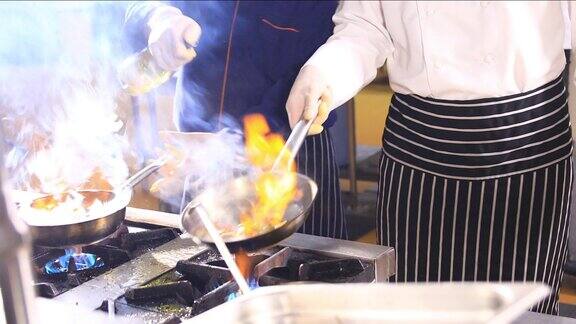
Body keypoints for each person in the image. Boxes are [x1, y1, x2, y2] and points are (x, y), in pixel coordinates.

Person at [286, 1, 572, 314]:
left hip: (527, 148)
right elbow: (366, 25)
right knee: (414, 311)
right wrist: (323, 72)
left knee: (522, 315)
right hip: (419, 151)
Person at [124, 1, 348, 239]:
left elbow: (323, 67)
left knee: (314, 272)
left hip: (291, 152)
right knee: (198, 271)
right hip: (196, 162)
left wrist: (229, 144)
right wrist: (158, 17)